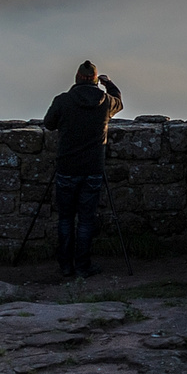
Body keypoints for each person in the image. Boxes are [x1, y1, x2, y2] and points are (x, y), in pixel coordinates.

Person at [43, 61, 123, 278]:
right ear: (96, 81)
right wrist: (110, 84)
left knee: (66, 218)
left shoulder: (63, 101)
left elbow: (48, 124)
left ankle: (66, 266)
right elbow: (119, 102)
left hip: (67, 167)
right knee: (86, 220)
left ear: (77, 78)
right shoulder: (106, 101)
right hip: (93, 169)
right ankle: (82, 266)